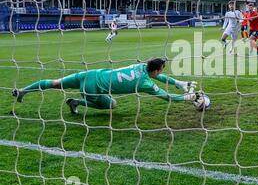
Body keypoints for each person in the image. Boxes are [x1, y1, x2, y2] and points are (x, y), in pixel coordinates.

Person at [12, 58, 200, 114]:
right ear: (155, 70)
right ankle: (77, 102)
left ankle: (23, 91)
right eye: (160, 70)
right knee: (111, 105)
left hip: (90, 74)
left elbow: (161, 78)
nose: (160, 73)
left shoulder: (141, 67)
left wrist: (179, 83)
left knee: (55, 83)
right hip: (92, 89)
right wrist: (186, 97)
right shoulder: (144, 83)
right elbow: (166, 96)